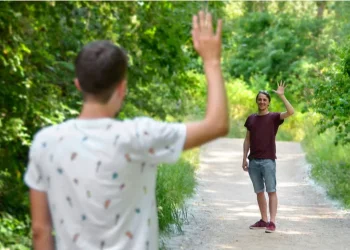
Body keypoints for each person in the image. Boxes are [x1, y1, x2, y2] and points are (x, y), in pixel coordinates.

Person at [24, 11, 228, 250]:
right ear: (122, 87)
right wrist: (211, 61)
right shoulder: (139, 136)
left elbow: (40, 231)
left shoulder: (45, 143)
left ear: (78, 84)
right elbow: (217, 125)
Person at [242, 82, 294, 233]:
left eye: (265, 99)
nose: (262, 102)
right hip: (253, 161)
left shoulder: (274, 117)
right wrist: (244, 158)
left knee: (271, 191)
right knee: (259, 191)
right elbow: (247, 140)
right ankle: (263, 220)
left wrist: (282, 96)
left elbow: (291, 112)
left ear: (268, 102)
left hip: (268, 160)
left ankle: (272, 222)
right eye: (260, 99)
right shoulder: (251, 118)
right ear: (256, 101)